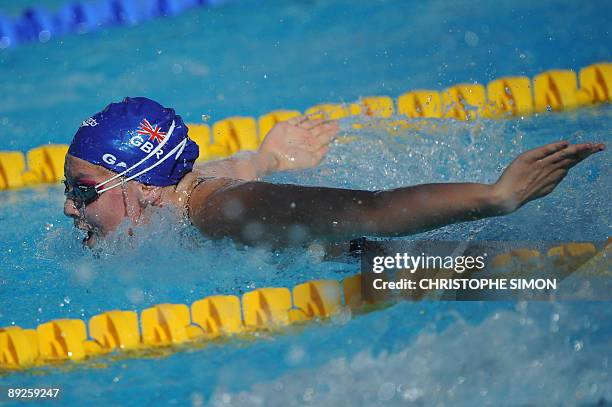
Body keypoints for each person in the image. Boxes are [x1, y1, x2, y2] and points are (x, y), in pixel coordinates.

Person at [63, 97, 605, 248]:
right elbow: (228, 167)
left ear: (140, 188)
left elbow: (369, 210)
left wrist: (496, 196)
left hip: (405, 262)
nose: (69, 207)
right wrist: (272, 156)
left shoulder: (217, 213)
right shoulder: (181, 192)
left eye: (82, 192)